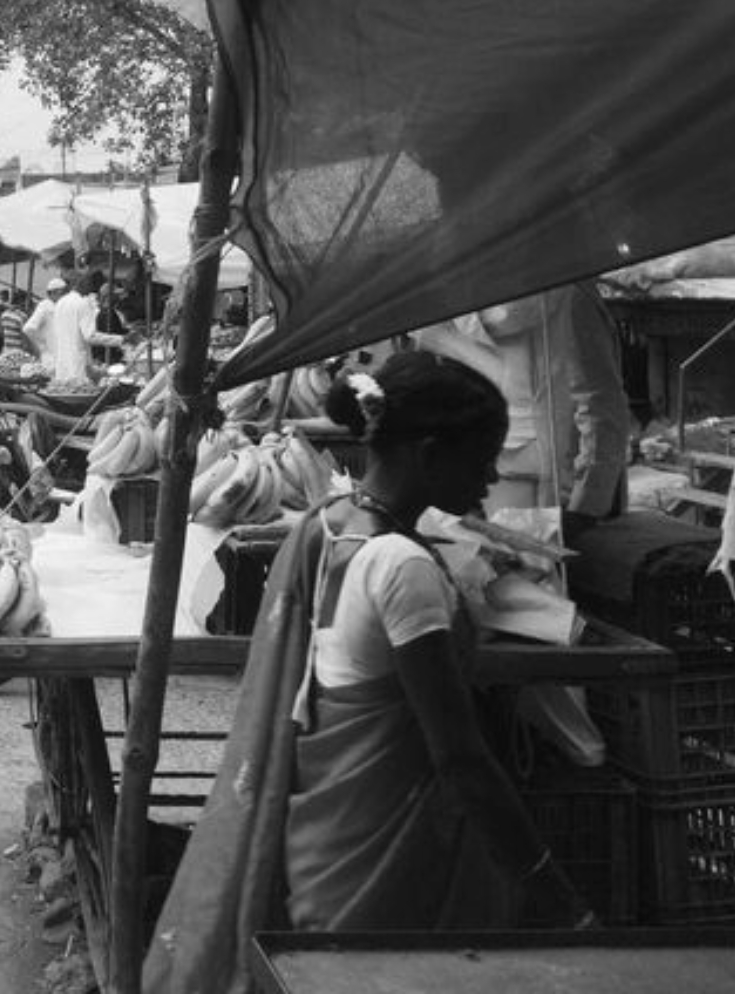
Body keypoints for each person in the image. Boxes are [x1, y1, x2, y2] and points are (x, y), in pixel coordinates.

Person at [144, 352, 594, 993]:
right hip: (384, 863)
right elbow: (459, 757)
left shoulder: (331, 524)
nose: (491, 477)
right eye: (482, 457)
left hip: (329, 843)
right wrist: (549, 883)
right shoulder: (402, 567)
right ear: (430, 452)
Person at [413, 280, 629, 541]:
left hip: (521, 477)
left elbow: (601, 405)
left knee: (524, 569)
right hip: (502, 472)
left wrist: (584, 508)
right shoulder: (568, 292)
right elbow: (601, 404)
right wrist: (588, 504)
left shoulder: (446, 291)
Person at [49, 270, 123, 382]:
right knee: (78, 389)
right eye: (89, 283)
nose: (90, 288)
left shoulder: (60, 303)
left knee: (65, 389)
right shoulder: (82, 303)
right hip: (78, 364)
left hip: (62, 361)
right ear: (80, 283)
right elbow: (90, 336)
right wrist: (120, 340)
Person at [22, 276, 67, 372]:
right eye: (61, 293)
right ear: (52, 293)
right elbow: (28, 328)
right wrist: (42, 346)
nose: (64, 296)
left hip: (61, 356)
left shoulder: (59, 306)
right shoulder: (45, 306)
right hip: (50, 357)